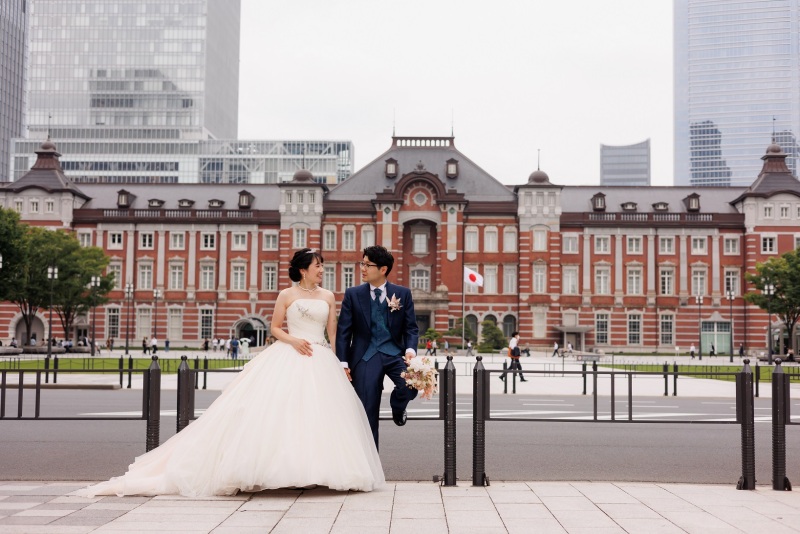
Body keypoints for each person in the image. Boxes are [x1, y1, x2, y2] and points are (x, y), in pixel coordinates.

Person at [81, 248, 383, 497]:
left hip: (321, 359)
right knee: (281, 413)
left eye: (322, 266)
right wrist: (292, 340)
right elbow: (276, 328)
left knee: (321, 416)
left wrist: (339, 363)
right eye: (318, 265)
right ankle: (283, 471)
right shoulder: (286, 295)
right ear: (303, 270)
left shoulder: (329, 296)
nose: (322, 270)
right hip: (291, 353)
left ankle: (320, 470)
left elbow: (334, 334)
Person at [336, 245, 419, 449]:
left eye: (367, 265)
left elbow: (411, 329)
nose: (362, 268)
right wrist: (343, 362)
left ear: (383, 269)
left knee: (412, 385)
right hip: (365, 356)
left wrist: (410, 350)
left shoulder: (402, 294)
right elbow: (344, 331)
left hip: (393, 353)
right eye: (361, 264)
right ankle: (371, 468)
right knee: (368, 412)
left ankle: (397, 407)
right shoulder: (353, 294)